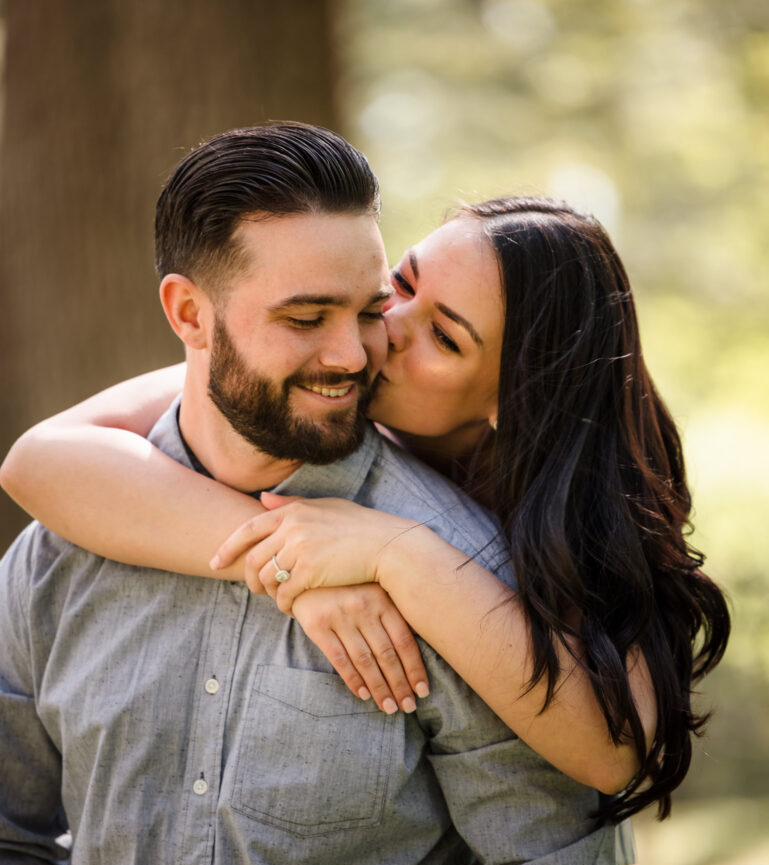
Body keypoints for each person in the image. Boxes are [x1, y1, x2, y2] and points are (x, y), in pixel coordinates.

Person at [0, 123, 620, 865]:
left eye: (368, 309)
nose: (353, 354)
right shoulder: (63, 551)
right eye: (305, 318)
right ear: (188, 314)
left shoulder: (465, 579)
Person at [1, 197, 729, 819]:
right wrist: (292, 568)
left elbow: (614, 755)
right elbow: (41, 460)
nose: (378, 335)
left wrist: (401, 555)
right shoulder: (321, 378)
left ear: (513, 404)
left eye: (443, 337)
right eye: (399, 288)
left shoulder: (568, 515)